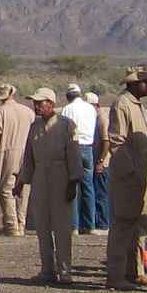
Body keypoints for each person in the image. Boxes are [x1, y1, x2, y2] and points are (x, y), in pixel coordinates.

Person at [17, 88, 83, 284]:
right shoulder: (34, 127)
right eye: (35, 103)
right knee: (42, 226)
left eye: (40, 103)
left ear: (51, 104)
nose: (36, 106)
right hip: (40, 178)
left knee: (62, 227)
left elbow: (74, 155)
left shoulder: (66, 125)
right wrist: (22, 181)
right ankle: (47, 270)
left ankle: (65, 270)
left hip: (61, 176)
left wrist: (73, 181)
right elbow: (28, 157)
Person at [104, 68, 147, 289]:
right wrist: (131, 173)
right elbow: (117, 141)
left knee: (139, 226)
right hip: (129, 180)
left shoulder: (137, 105)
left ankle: (136, 271)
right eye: (146, 82)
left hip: (142, 178)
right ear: (135, 84)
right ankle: (116, 275)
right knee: (123, 225)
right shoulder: (122, 104)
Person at [0, 83, 34, 236]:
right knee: (23, 189)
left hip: (8, 152)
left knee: (6, 189)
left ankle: (11, 226)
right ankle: (21, 224)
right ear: (13, 93)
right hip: (26, 153)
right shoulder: (28, 112)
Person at [60, 84, 99, 233]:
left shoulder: (67, 109)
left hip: (74, 147)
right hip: (88, 147)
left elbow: (64, 130)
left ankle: (74, 226)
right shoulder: (90, 108)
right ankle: (90, 225)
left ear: (68, 96)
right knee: (88, 186)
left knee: (73, 185)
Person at [87, 92, 112, 230]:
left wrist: (101, 161)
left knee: (101, 194)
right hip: (96, 161)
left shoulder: (102, 118)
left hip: (102, 163)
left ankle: (103, 224)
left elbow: (106, 141)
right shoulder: (95, 118)